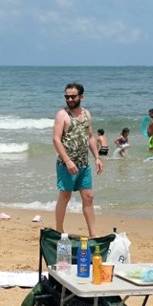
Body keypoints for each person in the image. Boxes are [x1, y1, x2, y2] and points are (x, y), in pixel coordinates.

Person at [52, 82, 102, 238]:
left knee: (88, 197)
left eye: (73, 96)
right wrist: (67, 161)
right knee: (65, 196)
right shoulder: (62, 115)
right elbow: (56, 140)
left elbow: (91, 137)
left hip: (83, 165)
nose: (69, 99)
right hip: (66, 165)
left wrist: (97, 158)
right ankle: (59, 231)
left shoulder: (87, 114)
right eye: (67, 96)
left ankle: (93, 235)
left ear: (81, 96)